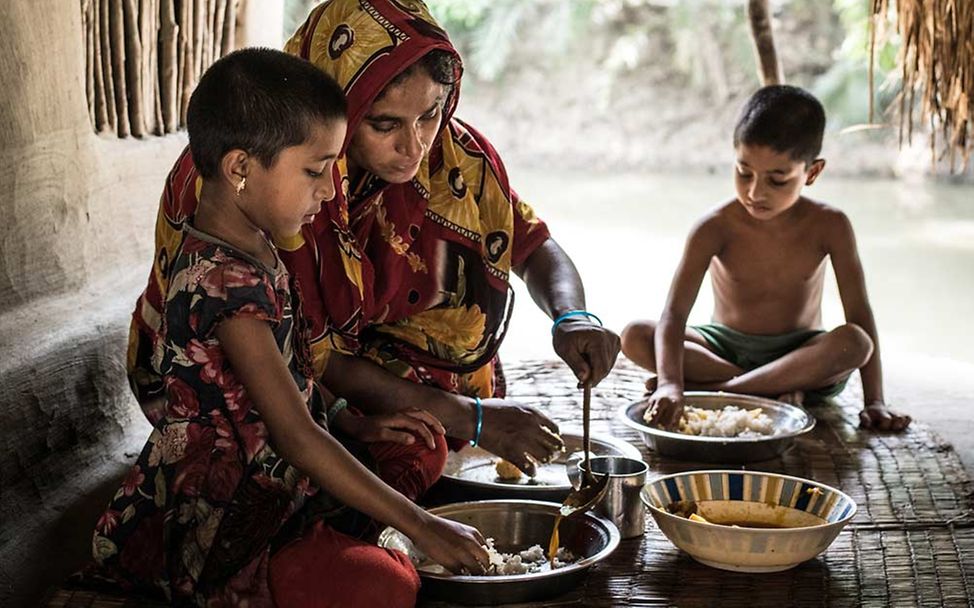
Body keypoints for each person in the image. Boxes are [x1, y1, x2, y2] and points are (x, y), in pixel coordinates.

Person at [128, 0, 621, 483]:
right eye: (384, 124)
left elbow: (532, 245)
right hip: (269, 389)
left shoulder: (453, 158)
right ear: (342, 105)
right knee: (411, 453)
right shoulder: (259, 183)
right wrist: (471, 418)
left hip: (375, 380)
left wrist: (572, 317)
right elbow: (307, 363)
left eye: (431, 113)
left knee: (428, 434)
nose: (417, 146)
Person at [93, 48, 488, 608]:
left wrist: (354, 422)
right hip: (226, 519)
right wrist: (423, 526)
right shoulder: (221, 285)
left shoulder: (258, 246)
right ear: (240, 169)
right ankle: (348, 548)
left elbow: (294, 373)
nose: (329, 191)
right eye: (314, 170)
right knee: (387, 586)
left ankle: (354, 537)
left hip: (284, 478)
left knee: (420, 446)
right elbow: (297, 435)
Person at [621, 84, 911, 432]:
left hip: (802, 353)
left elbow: (859, 313)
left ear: (813, 173)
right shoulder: (714, 227)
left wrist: (874, 400)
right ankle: (770, 387)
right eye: (744, 173)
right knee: (635, 335)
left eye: (778, 180)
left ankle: (721, 391)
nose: (755, 192)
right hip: (722, 349)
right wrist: (669, 383)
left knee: (855, 341)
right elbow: (674, 315)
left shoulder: (831, 225)